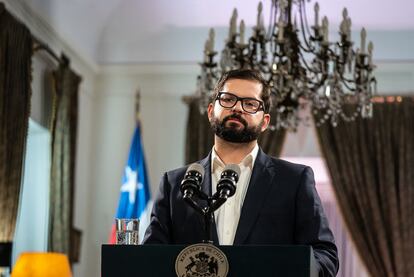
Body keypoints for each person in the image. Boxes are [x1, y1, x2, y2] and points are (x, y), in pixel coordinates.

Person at [143, 69, 339, 276]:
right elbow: (151, 258)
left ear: (264, 122)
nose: (237, 108)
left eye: (250, 104)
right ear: (211, 111)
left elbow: (325, 256)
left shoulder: (294, 180)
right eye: (228, 99)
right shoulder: (174, 183)